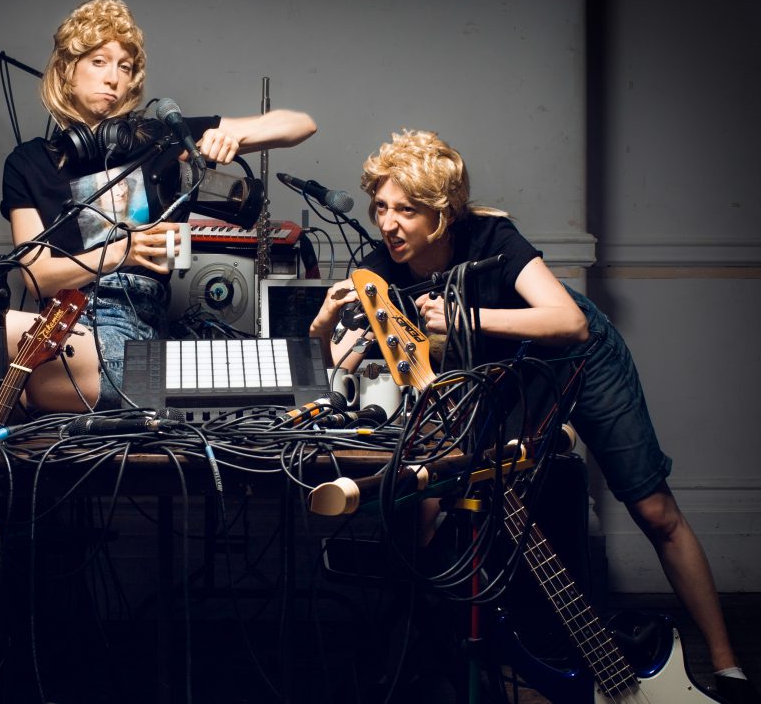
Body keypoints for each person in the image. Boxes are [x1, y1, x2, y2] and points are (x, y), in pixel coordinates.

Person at [308, 129, 759, 704]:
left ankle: (727, 667)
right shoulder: (382, 270)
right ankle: (434, 659)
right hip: (501, 376)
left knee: (653, 510)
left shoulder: (493, 238)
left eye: (406, 210)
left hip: (578, 355)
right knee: (427, 506)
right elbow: (341, 375)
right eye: (380, 208)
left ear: (441, 214)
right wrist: (323, 332)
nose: (388, 223)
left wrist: (467, 317)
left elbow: (566, 322)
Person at [0, 0, 316, 501]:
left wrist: (232, 132)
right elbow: (36, 277)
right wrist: (120, 252)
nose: (114, 78)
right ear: (66, 71)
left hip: (120, 348)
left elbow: (300, 124)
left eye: (125, 68)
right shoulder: (28, 163)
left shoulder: (158, 140)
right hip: (40, 344)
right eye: (99, 62)